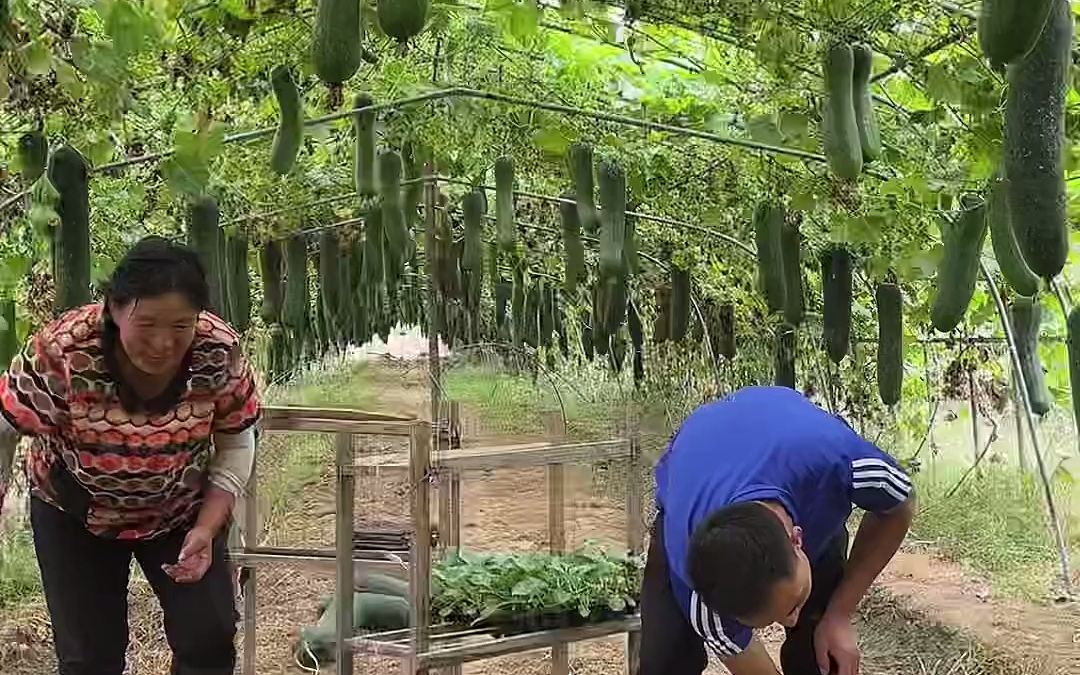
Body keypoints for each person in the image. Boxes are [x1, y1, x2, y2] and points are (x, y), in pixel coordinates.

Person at [0, 236, 260, 675]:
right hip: (75, 512)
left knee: (210, 638)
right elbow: (4, 426)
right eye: (148, 323)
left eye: (181, 326)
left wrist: (207, 526)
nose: (163, 343)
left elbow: (237, 440)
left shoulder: (218, 351)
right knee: (89, 659)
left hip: (180, 511)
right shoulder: (63, 350)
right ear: (115, 308)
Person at [641, 385, 915, 675]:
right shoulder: (697, 581)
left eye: (794, 603)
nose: (792, 621)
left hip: (790, 446)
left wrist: (839, 612)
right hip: (694, 470)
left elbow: (900, 505)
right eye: (778, 616)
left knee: (822, 653)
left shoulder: (839, 464)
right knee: (664, 660)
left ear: (798, 538)